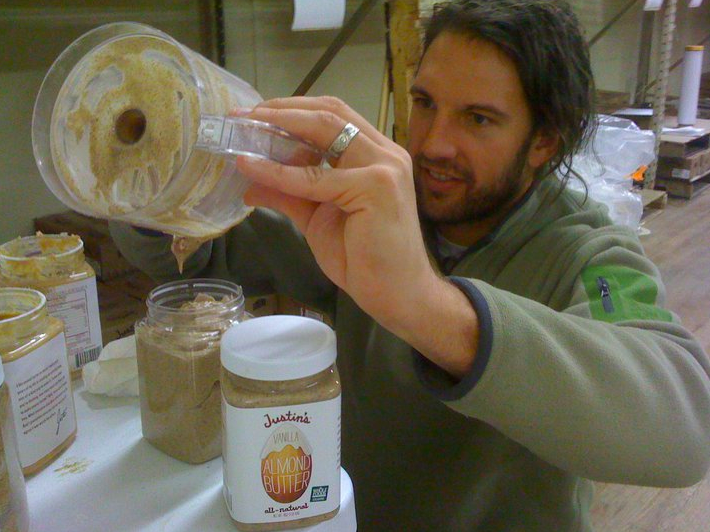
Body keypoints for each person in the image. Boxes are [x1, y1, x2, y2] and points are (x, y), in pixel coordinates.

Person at [110, 1, 710, 530]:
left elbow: (682, 429)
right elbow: (207, 255)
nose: (431, 144)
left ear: (544, 142)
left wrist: (427, 305)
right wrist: (158, 187)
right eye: (424, 103)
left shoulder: (587, 252)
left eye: (478, 118)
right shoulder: (382, 210)